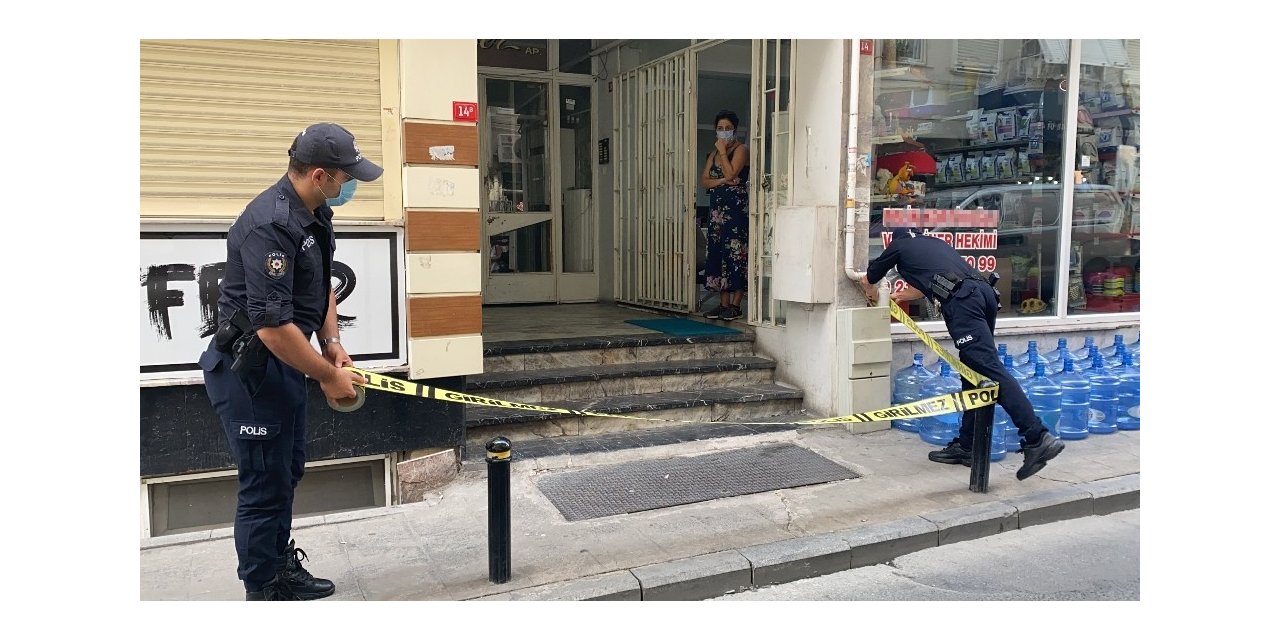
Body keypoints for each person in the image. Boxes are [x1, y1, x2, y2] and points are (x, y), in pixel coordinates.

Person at [197, 122, 381, 600]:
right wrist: (327, 376)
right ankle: (263, 589)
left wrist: (332, 342)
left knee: (285, 471)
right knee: (263, 485)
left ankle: (279, 568)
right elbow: (272, 328)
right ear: (320, 175)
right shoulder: (271, 224)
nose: (350, 185)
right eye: (346, 176)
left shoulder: (313, 214)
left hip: (285, 363)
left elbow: (322, 286)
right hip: (251, 371)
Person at [859, 228, 1065, 481]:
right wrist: (898, 296)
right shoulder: (932, 244)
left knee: (989, 369)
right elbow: (932, 284)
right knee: (974, 375)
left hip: (963, 302)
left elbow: (868, 278)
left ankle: (1037, 436)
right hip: (983, 294)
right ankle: (968, 446)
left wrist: (872, 296)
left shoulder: (898, 247)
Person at [700, 109, 751, 321]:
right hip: (717, 213)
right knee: (719, 254)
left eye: (727, 128)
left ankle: (735, 304)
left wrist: (722, 152)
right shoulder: (712, 155)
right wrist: (721, 181)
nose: (723, 132)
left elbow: (732, 173)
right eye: (720, 129)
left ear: (735, 129)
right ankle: (722, 304)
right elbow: (705, 181)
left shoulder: (741, 149)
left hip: (735, 212)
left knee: (735, 254)